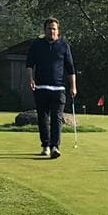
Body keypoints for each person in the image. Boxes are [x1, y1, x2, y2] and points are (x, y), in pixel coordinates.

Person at [26, 17, 77, 159]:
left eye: (54, 29)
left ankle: (55, 146)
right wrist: (31, 79)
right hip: (41, 87)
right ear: (44, 30)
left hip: (58, 89)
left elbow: (70, 68)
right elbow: (30, 64)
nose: (52, 31)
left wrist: (73, 86)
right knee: (43, 118)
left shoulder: (64, 46)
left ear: (58, 30)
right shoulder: (37, 45)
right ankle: (46, 146)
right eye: (49, 29)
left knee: (57, 118)